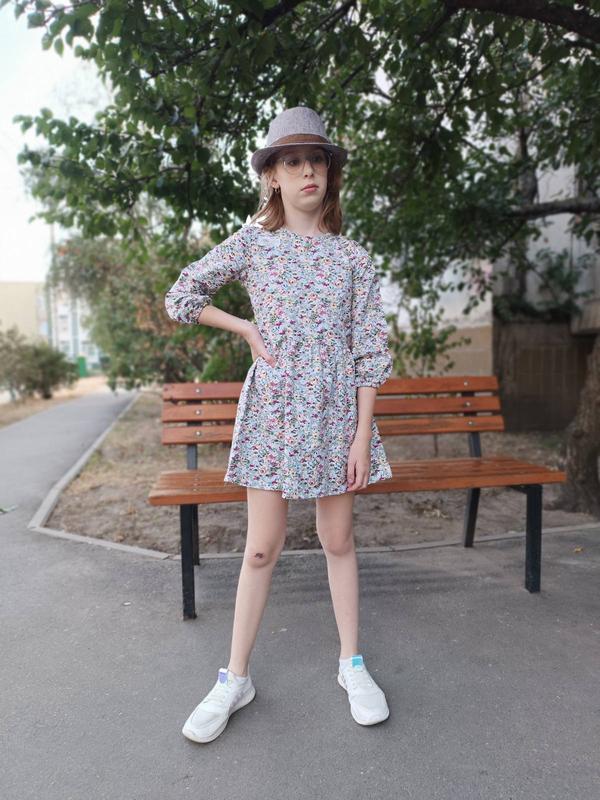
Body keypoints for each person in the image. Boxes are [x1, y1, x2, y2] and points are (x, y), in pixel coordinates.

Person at [165, 106, 394, 743]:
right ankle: (235, 678)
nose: (306, 171)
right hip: (272, 413)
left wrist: (361, 434)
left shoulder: (352, 258)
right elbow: (182, 296)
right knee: (261, 547)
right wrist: (243, 327)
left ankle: (352, 665)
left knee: (338, 540)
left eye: (315, 159)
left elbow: (370, 351)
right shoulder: (252, 245)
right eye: (291, 162)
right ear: (272, 176)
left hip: (335, 414)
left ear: (328, 172)